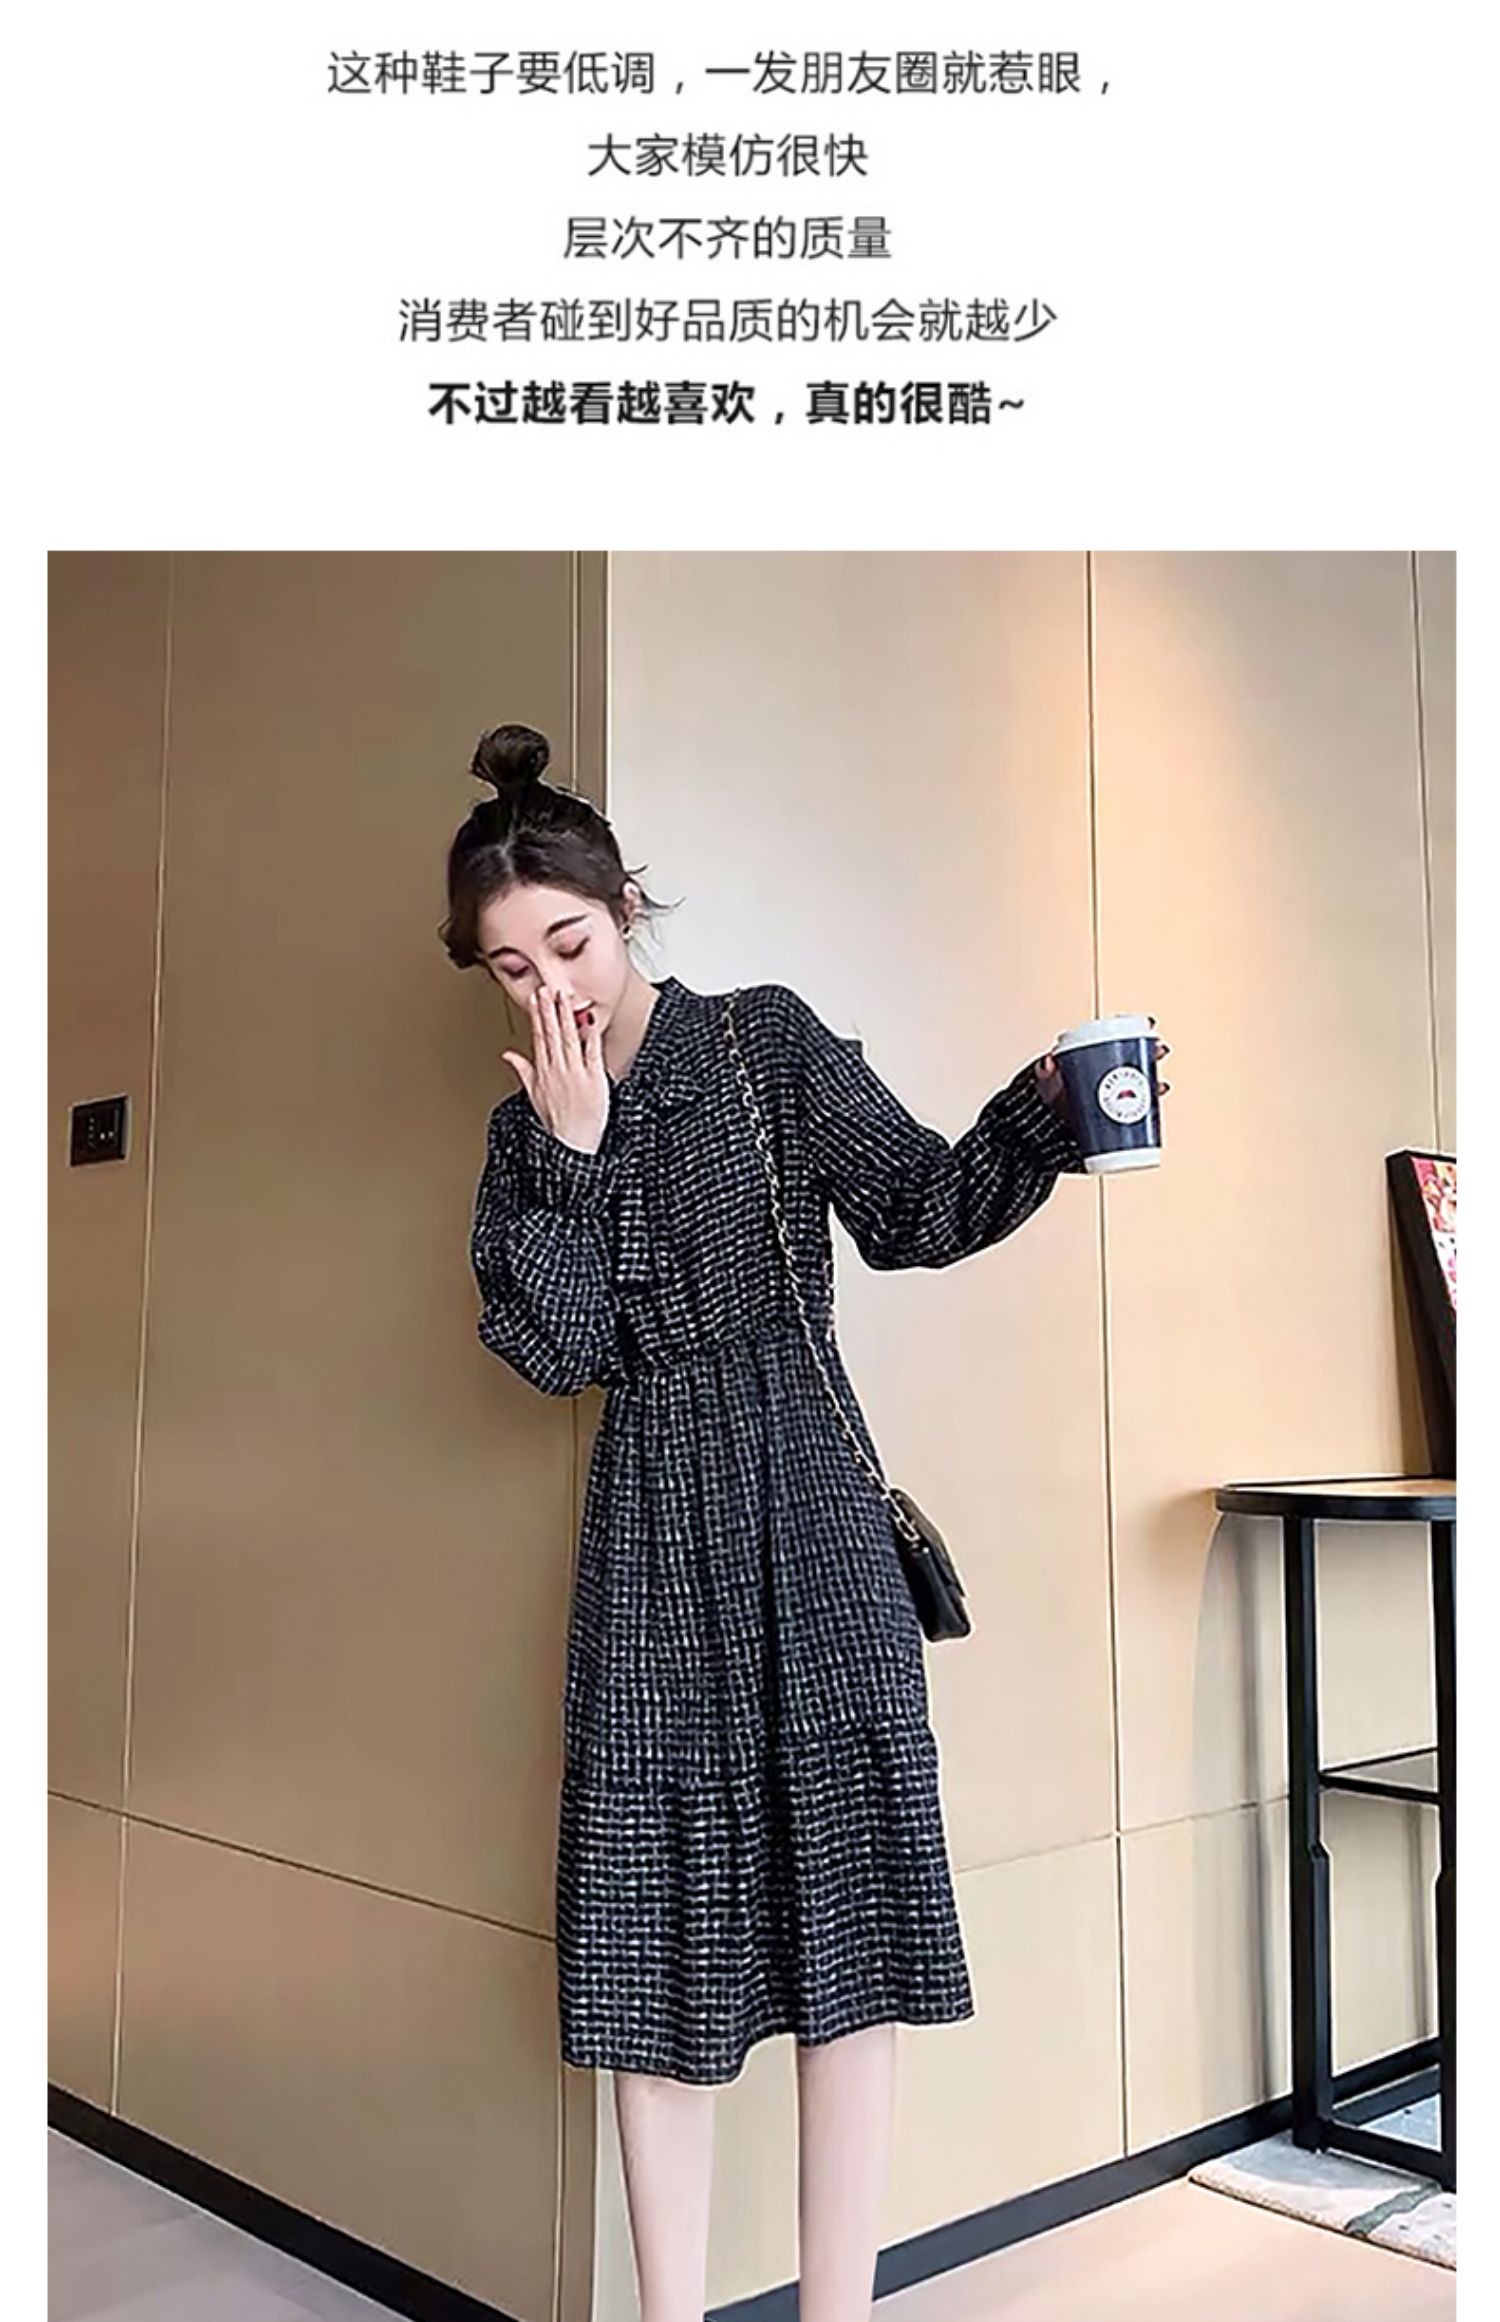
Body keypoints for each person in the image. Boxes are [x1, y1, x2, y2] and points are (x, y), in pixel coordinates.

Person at [443, 722, 1169, 2322]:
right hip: (650, 1539)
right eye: (511, 968)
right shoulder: (521, 1137)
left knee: (852, 1939)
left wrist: (1052, 1108)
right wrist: (572, 1156)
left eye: (569, 944)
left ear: (626, 909)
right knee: (653, 1949)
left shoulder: (760, 1041)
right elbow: (555, 1350)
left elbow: (919, 1205)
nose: (552, 991)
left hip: (817, 1518)